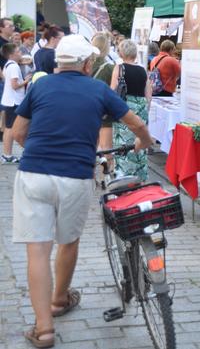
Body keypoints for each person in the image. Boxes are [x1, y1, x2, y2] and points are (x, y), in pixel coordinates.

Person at [11, 34, 152, 348]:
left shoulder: (40, 86)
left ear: (59, 62)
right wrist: (145, 141)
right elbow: (136, 123)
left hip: (34, 173)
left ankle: (44, 329)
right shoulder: (98, 89)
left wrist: (38, 149)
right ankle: (59, 300)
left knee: (37, 250)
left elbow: (18, 132)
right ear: (88, 64)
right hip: (75, 176)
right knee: (68, 241)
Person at [110, 40, 151, 181]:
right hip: (140, 108)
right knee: (140, 141)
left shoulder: (119, 68)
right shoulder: (142, 70)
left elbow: (112, 91)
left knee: (123, 143)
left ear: (122, 52)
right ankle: (140, 176)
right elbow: (148, 94)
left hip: (125, 109)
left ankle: (123, 175)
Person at [1, 43, 31, 163]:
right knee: (11, 129)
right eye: (18, 51)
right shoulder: (14, 67)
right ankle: (7, 155)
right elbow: (14, 85)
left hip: (9, 100)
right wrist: (26, 81)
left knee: (8, 128)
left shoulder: (8, 64)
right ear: (12, 54)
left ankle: (7, 154)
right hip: (14, 101)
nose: (20, 53)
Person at [91, 33, 116, 157]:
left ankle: (91, 175)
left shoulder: (85, 64)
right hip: (104, 113)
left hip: (86, 110)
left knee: (90, 148)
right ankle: (106, 175)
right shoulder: (110, 68)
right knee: (106, 150)